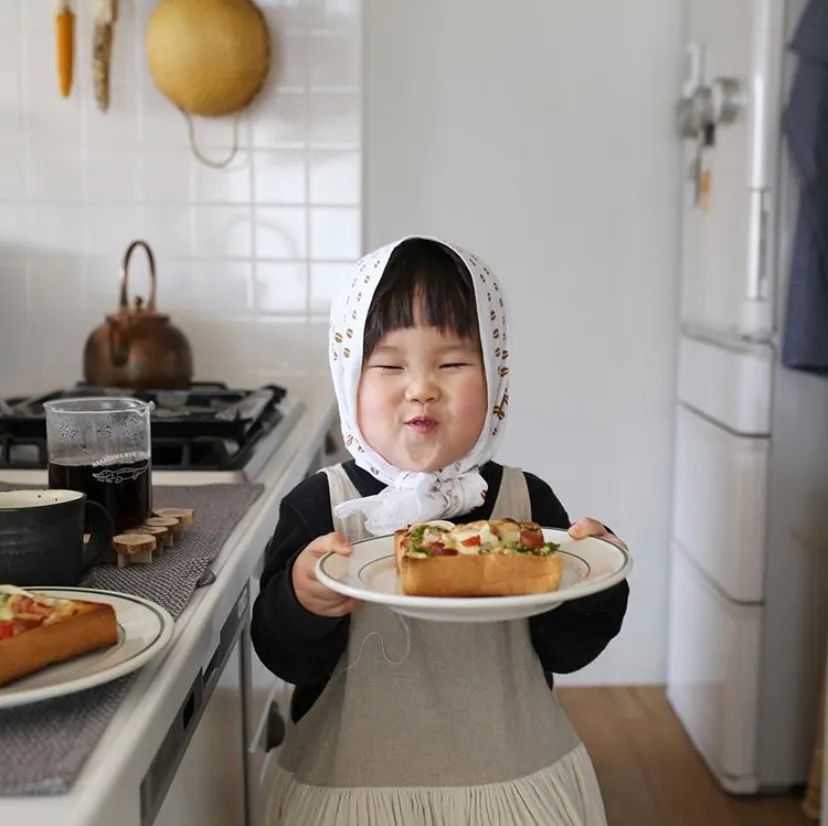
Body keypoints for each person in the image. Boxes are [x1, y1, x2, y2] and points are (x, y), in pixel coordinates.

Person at [251, 236, 630, 825]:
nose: (421, 388)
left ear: (496, 374)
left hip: (513, 789)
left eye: (451, 363)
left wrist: (597, 581)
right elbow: (283, 656)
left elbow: (569, 649)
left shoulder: (525, 505)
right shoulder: (322, 508)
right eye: (390, 365)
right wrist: (302, 598)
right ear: (350, 374)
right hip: (351, 792)